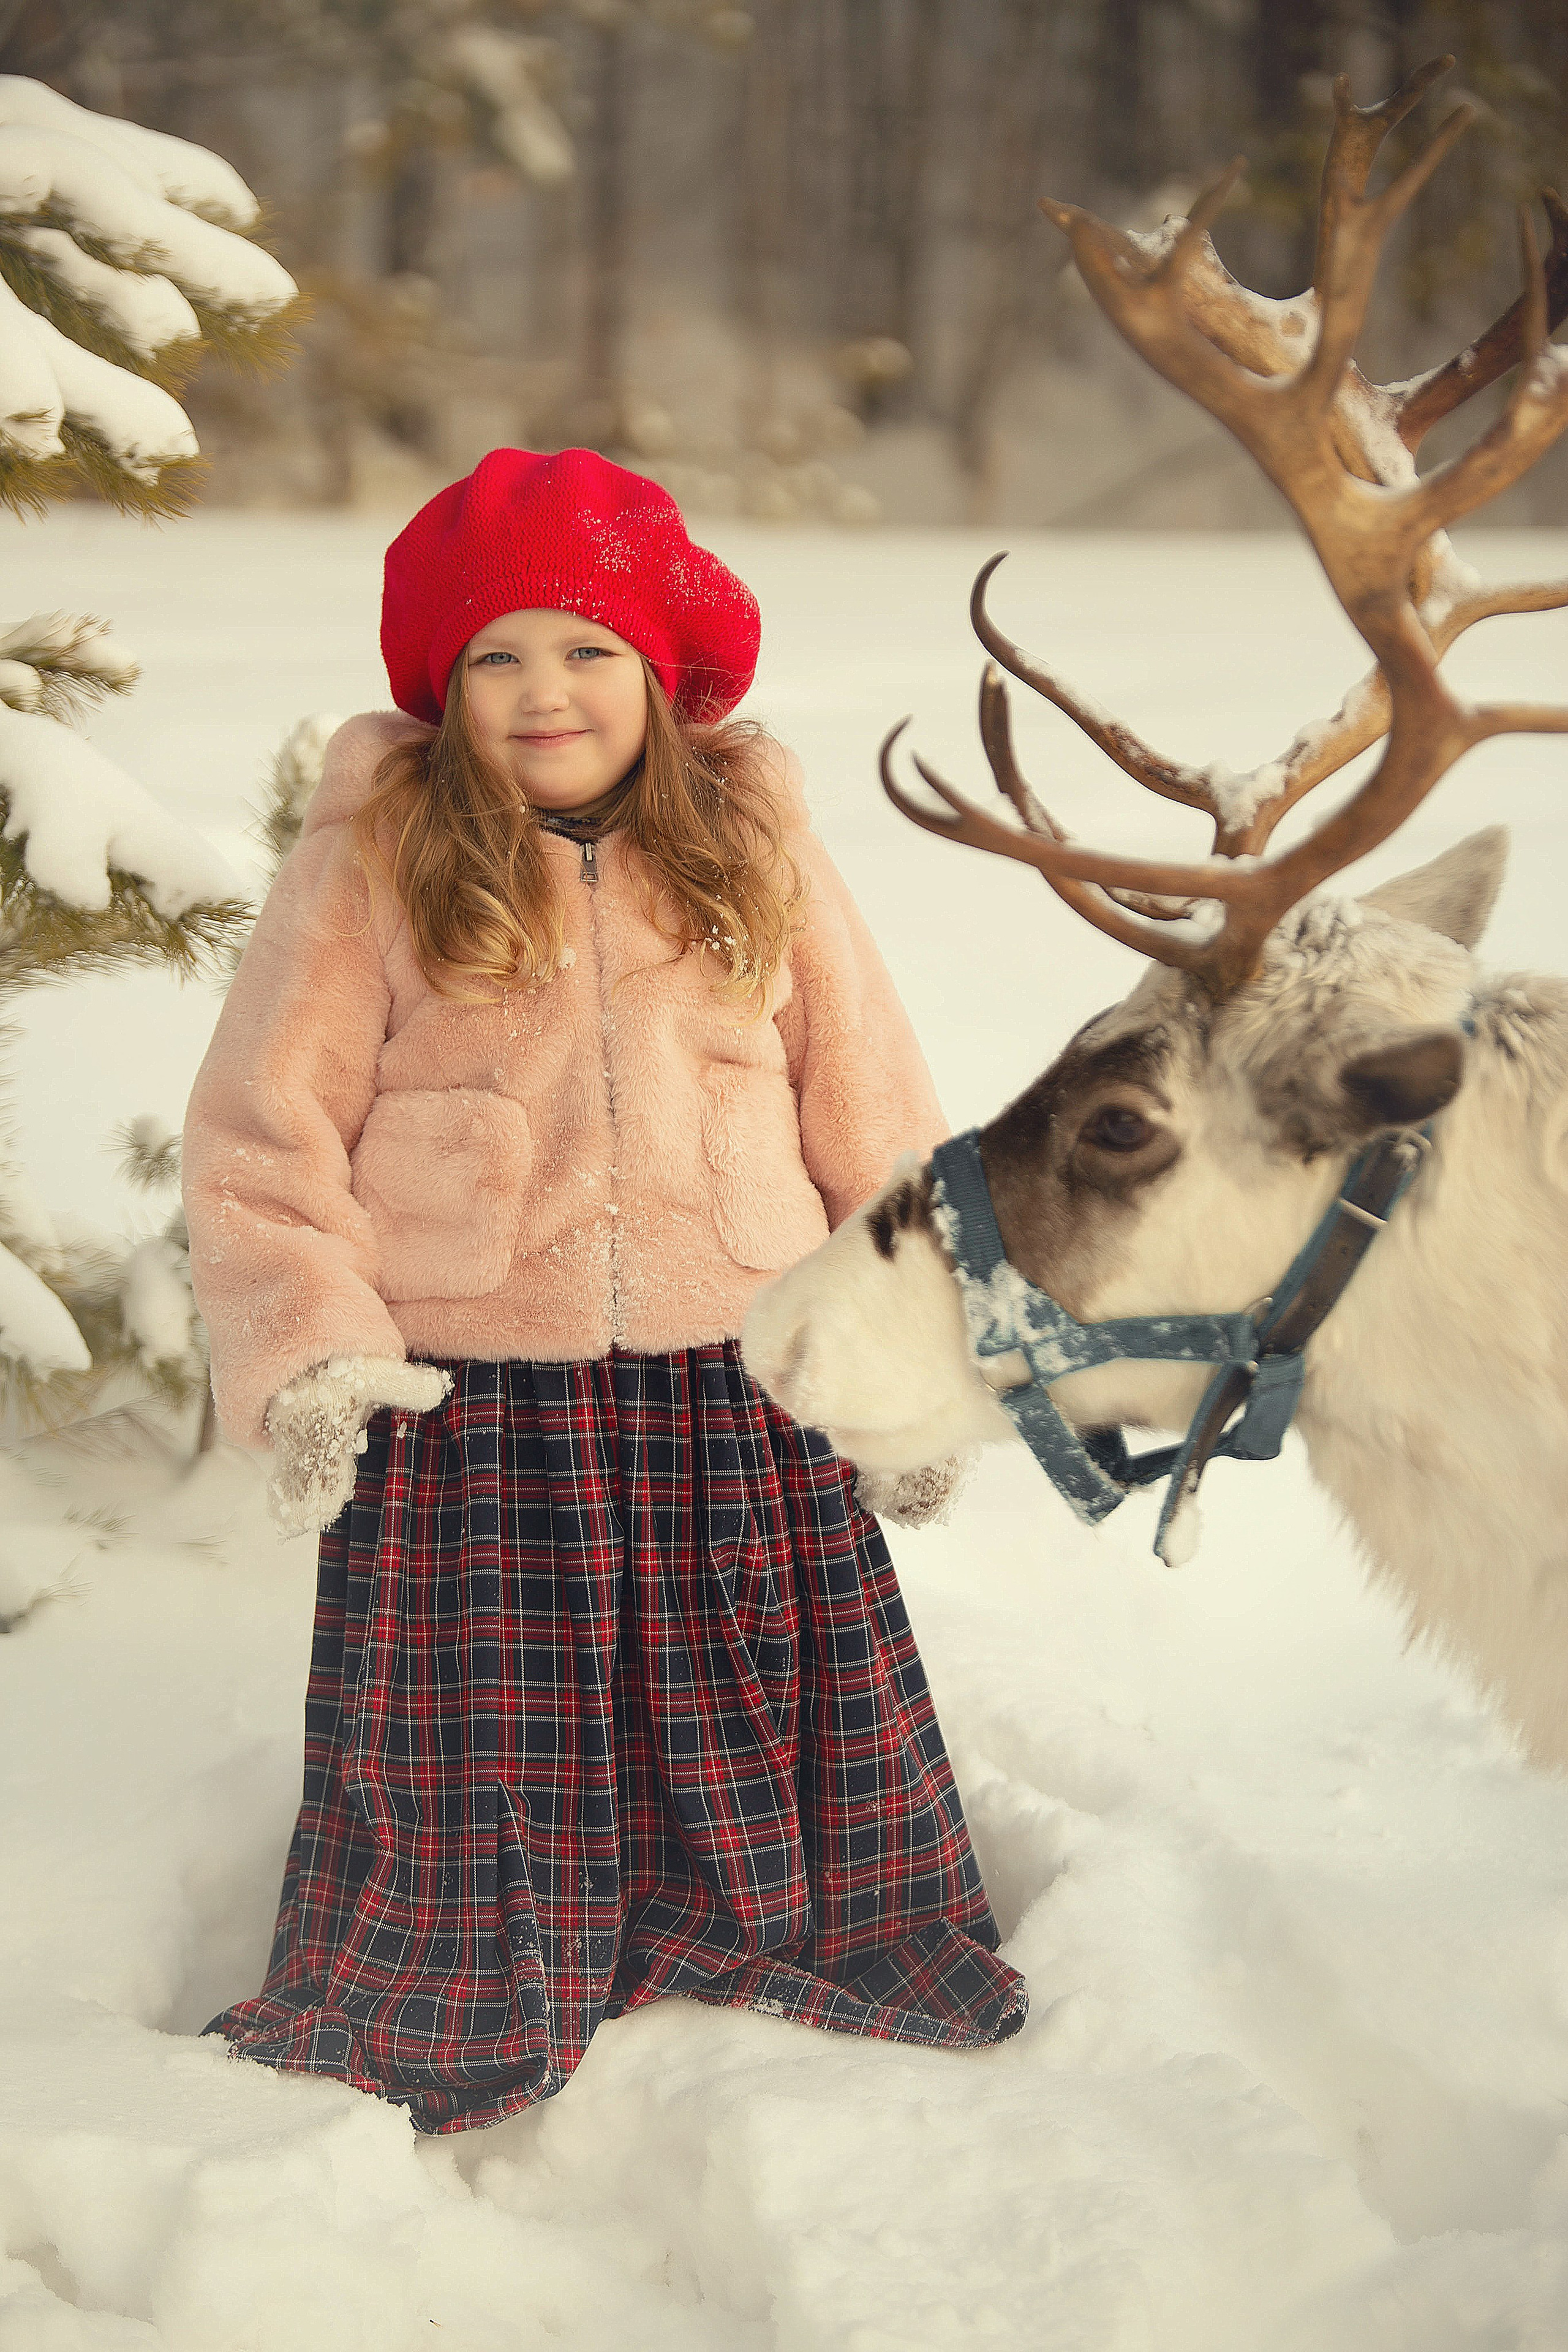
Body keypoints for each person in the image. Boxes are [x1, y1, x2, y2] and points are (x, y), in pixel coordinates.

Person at [182, 447, 1027, 2135]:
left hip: (741, 1375)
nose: (543, 693)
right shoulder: (378, 853)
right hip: (473, 1397)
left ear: (660, 670)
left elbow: (872, 1113)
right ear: (443, 686)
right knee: (492, 1750)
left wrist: (920, 1361)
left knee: (754, 1694)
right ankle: (481, 1968)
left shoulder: (752, 843)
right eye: (495, 657)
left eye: (586, 651)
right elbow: (262, 1132)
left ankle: (771, 1937)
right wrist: (318, 1350)